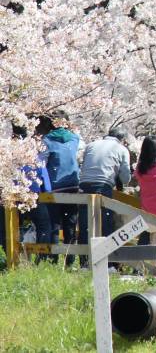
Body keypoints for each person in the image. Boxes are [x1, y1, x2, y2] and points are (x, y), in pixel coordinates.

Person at [39, 111, 85, 266]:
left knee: (54, 225)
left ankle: (53, 260)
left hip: (54, 187)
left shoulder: (46, 141)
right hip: (72, 185)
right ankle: (70, 261)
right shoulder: (75, 139)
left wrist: (46, 187)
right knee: (70, 224)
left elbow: (42, 166)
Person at [78, 128, 132, 252]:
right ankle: (105, 260)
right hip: (103, 186)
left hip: (84, 185)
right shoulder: (122, 149)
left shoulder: (91, 145)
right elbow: (125, 178)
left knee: (84, 222)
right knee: (105, 223)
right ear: (122, 140)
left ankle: (84, 260)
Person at [16, 124, 53, 261]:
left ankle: (14, 258)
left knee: (13, 226)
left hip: (12, 196)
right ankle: (42, 258)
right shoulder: (33, 152)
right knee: (44, 225)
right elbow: (43, 172)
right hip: (33, 195)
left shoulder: (6, 150)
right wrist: (47, 192)